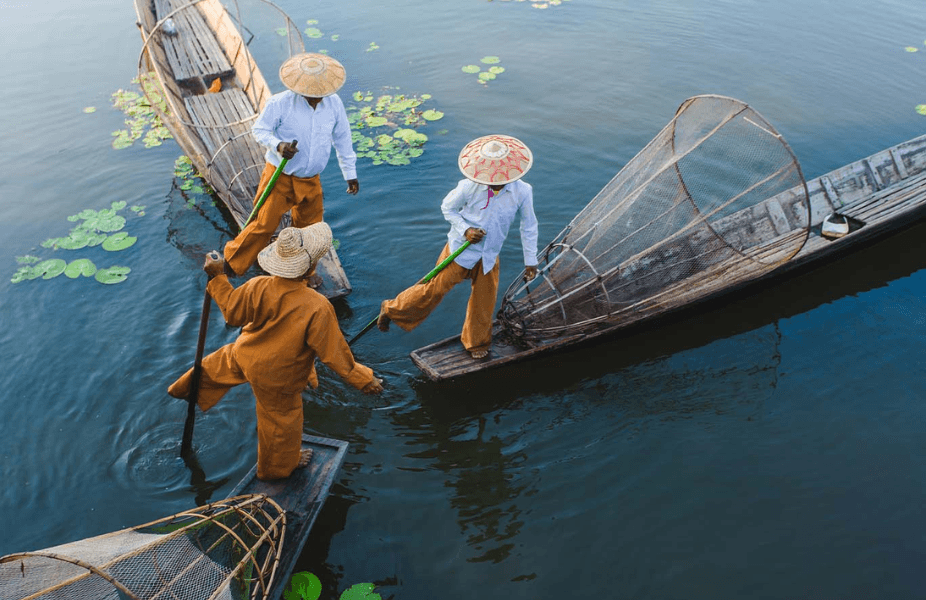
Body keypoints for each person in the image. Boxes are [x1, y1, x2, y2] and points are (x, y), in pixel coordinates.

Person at [169, 222, 383, 480]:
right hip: (277, 377)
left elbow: (232, 313)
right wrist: (363, 379)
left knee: (218, 365)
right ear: (310, 268)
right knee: (281, 422)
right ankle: (278, 468)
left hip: (245, 354)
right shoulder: (317, 306)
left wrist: (217, 277)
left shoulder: (258, 285)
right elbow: (335, 355)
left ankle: (185, 389)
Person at [376, 134, 539, 359]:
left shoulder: (523, 191)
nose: (493, 181)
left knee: (484, 302)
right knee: (433, 290)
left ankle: (476, 342)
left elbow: (529, 225)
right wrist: (466, 230)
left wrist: (530, 260)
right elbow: (447, 208)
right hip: (460, 251)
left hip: (489, 255)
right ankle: (391, 309)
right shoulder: (469, 186)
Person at [223, 52, 359, 277]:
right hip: (281, 176)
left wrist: (350, 173)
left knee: (310, 230)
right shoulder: (280, 103)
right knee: (263, 225)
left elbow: (343, 139)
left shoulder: (334, 104)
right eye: (311, 95)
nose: (316, 99)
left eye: (320, 94)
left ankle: (304, 273)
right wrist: (278, 145)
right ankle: (231, 263)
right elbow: (259, 130)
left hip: (311, 180)